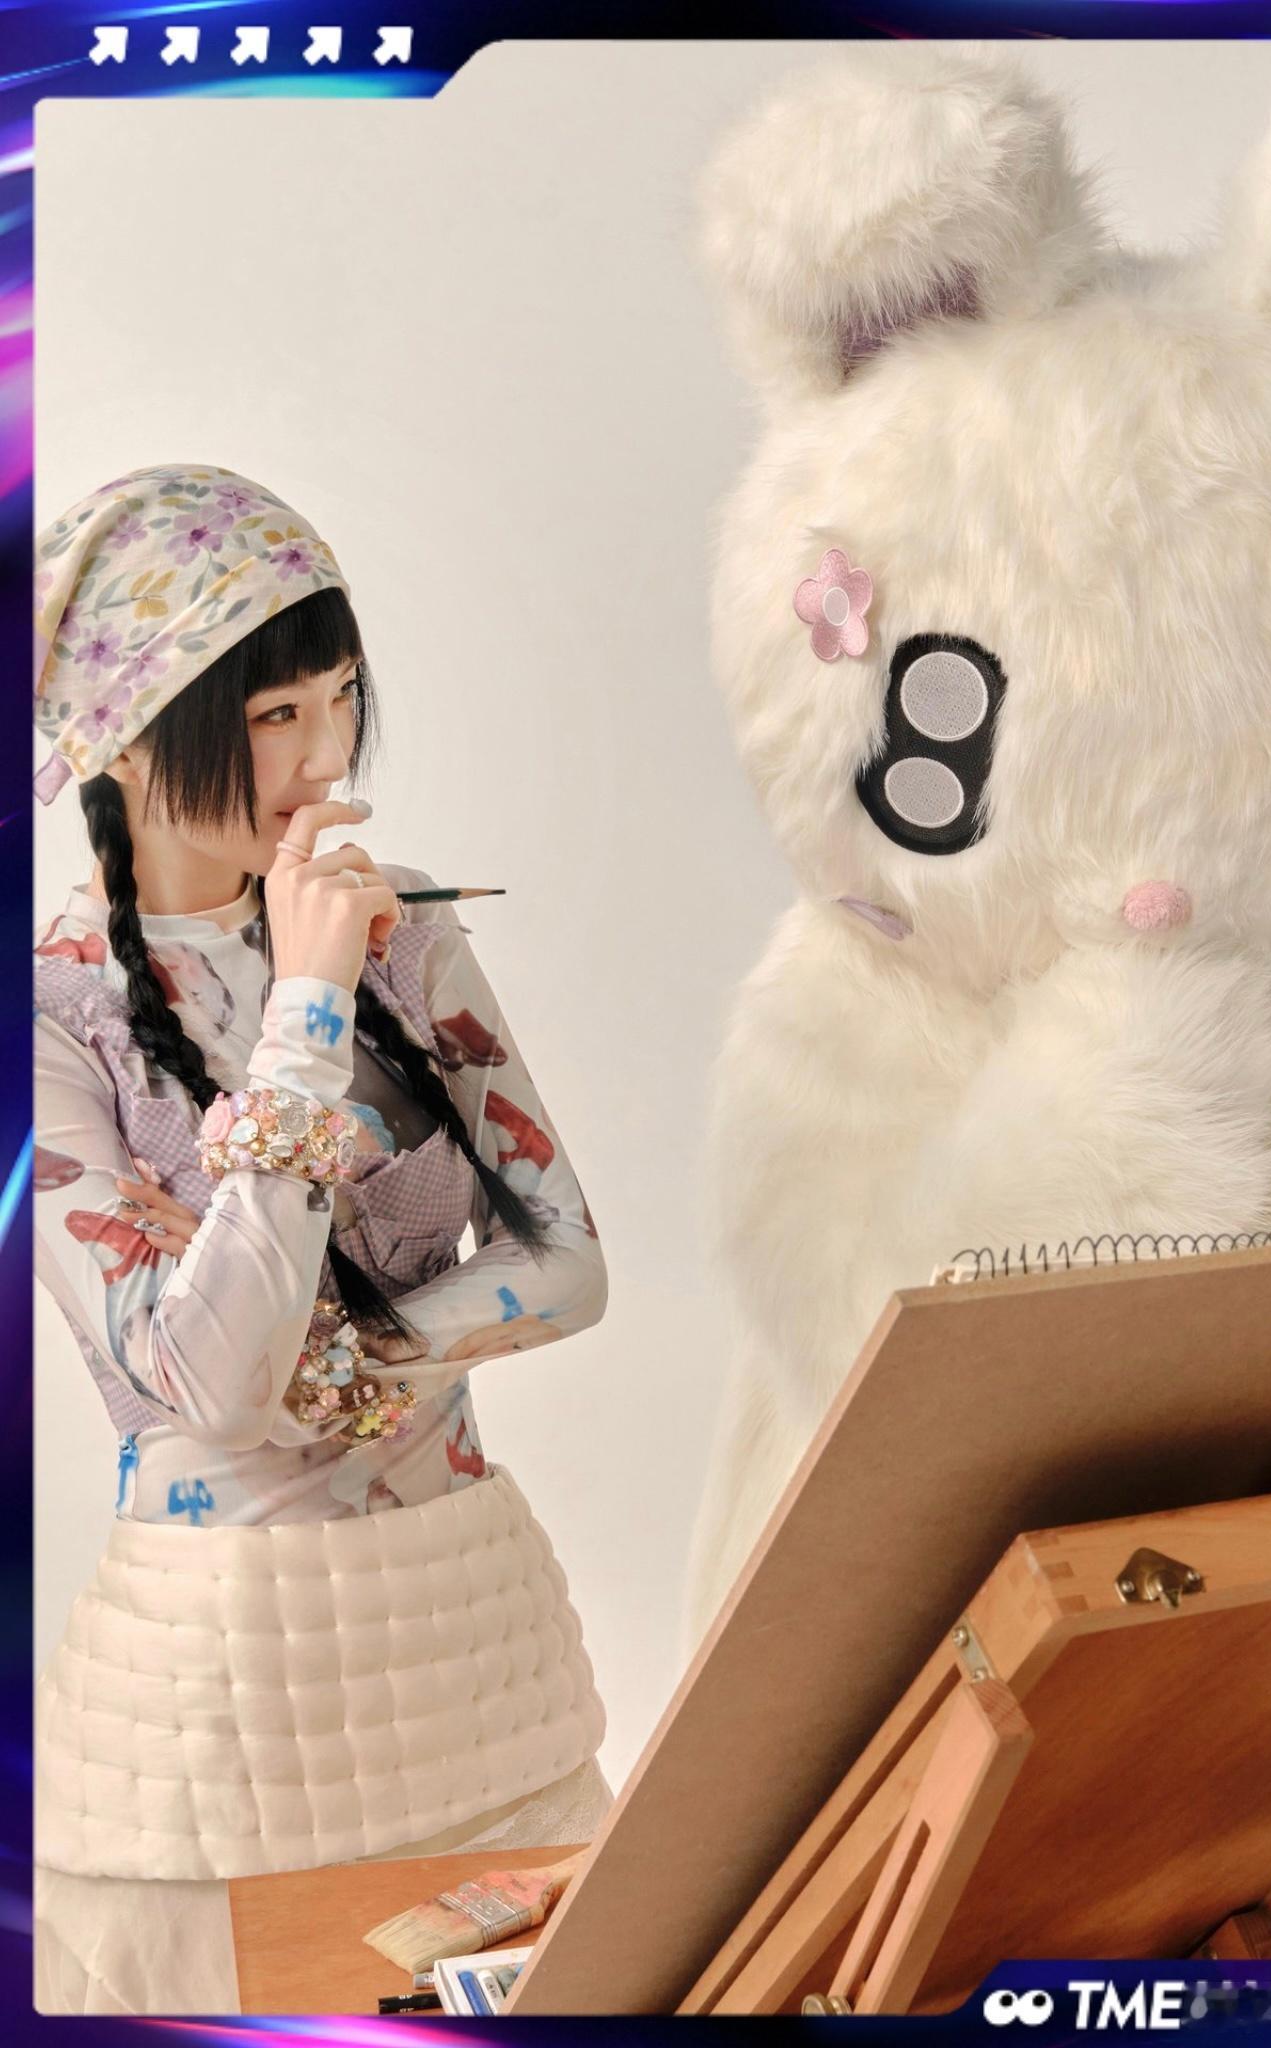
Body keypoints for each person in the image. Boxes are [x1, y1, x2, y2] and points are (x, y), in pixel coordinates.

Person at [32, 464, 611, 2013]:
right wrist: (303, 1005)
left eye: (342, 696)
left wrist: (344, 1361)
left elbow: (570, 1264)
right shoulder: (53, 1012)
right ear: (124, 731)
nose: (327, 756)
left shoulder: (403, 925)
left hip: (472, 1647)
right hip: (217, 1704)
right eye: (276, 713)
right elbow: (208, 1389)